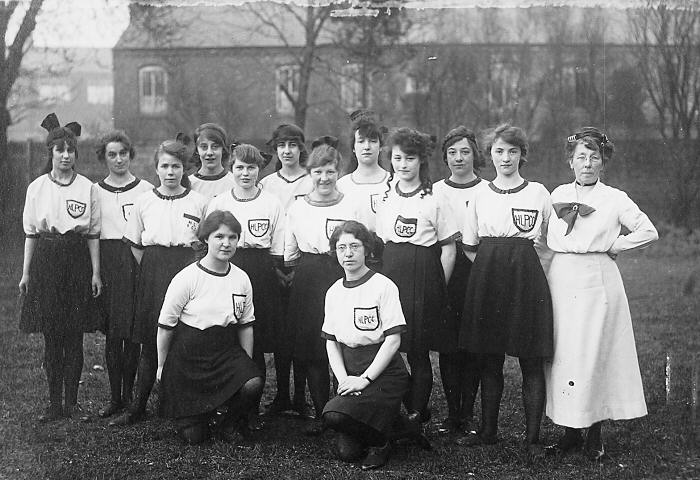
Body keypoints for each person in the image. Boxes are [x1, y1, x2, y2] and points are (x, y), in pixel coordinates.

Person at [544, 127, 658, 460]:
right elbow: (543, 236)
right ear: (571, 161)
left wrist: (616, 245)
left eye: (595, 157)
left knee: (592, 351)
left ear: (602, 162)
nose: (588, 163)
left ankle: (594, 433)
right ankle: (570, 432)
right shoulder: (557, 194)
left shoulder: (615, 198)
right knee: (565, 353)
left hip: (597, 278)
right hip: (562, 278)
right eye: (581, 156)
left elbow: (648, 231)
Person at [457, 124, 553, 459]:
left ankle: (533, 439)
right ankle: (487, 431)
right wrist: (492, 264)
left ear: (522, 155)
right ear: (490, 155)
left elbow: (550, 242)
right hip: (488, 279)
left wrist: (519, 263)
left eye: (512, 151)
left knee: (530, 360)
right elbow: (470, 245)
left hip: (526, 280)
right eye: (499, 151)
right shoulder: (480, 194)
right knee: (489, 359)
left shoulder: (539, 193)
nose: (505, 158)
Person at [110, 135, 208, 426]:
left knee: (185, 336)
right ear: (156, 168)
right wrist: (154, 266)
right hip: (153, 269)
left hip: (187, 267)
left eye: (176, 166)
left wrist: (188, 268)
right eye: (164, 166)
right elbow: (135, 243)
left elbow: (204, 242)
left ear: (184, 169)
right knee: (152, 339)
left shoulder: (199, 201)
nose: (170, 172)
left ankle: (181, 403)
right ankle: (138, 406)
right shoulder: (144, 201)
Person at [19, 113, 102, 422]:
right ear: (50, 152)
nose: (66, 156)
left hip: (77, 260)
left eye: (71, 151)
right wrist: (26, 273)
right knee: (53, 336)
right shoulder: (37, 188)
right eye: (60, 150)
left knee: (74, 335)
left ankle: (73, 403)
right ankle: (54, 404)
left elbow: (93, 233)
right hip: (47, 261)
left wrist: (95, 272)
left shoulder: (88, 188)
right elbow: (30, 234)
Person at [156, 210, 264, 444]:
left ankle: (230, 422)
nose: (226, 243)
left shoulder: (242, 278)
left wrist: (245, 363)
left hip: (224, 350)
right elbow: (166, 326)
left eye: (232, 237)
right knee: (195, 437)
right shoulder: (187, 278)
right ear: (206, 238)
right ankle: (199, 414)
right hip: (189, 355)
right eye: (219, 237)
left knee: (252, 382)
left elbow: (246, 324)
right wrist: (162, 365)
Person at [375, 127, 459, 425]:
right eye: (397, 158)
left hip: (424, 276)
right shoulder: (385, 196)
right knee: (390, 344)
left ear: (421, 160)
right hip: (392, 272)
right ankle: (397, 407)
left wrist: (437, 286)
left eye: (410, 158)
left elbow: (448, 249)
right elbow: (381, 241)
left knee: (419, 353)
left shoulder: (435, 197)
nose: (403, 165)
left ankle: (417, 414)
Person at [206, 143, 284, 430]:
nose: (245, 173)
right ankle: (224, 404)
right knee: (225, 338)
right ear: (231, 168)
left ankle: (250, 409)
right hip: (226, 270)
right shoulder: (219, 202)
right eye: (239, 167)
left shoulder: (272, 203)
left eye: (251, 167)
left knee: (255, 343)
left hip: (260, 272)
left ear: (259, 170)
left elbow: (278, 248)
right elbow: (211, 243)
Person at [321, 220, 410, 470]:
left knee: (335, 415)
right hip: (350, 371)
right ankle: (401, 426)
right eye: (341, 248)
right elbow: (331, 343)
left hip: (383, 372)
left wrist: (365, 379)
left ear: (367, 250)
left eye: (354, 246)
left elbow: (393, 340)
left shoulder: (383, 286)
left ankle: (382, 443)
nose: (348, 253)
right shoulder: (333, 292)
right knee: (347, 453)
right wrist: (343, 380)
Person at [284, 137, 357, 434]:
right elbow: (290, 252)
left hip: (344, 273)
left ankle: (349, 411)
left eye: (329, 171)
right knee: (315, 348)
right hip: (309, 276)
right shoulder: (298, 207)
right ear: (309, 173)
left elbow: (364, 243)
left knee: (348, 342)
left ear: (337, 172)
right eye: (318, 172)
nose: (324, 178)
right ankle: (321, 415)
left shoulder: (352, 205)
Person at [431, 126, 486, 435]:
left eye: (464, 151)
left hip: (476, 270)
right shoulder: (436, 190)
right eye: (452, 152)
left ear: (474, 154)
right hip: (446, 270)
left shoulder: (487, 189)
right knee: (449, 347)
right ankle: (453, 414)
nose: (458, 158)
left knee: (473, 346)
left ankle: (468, 412)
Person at [94, 130, 153, 418]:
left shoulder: (146, 190)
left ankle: (130, 397)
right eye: (112, 154)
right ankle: (114, 397)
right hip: (108, 262)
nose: (118, 159)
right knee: (112, 334)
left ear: (131, 154)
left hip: (134, 261)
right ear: (104, 158)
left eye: (123, 153)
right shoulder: (96, 190)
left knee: (131, 333)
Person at [260, 124, 312, 416]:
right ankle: (281, 395)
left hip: (304, 262)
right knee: (281, 334)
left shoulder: (312, 180)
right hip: (274, 262)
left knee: (301, 333)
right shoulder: (267, 184)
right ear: (276, 149)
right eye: (282, 145)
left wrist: (298, 269)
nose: (287, 151)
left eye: (293, 145)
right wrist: (274, 269)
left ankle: (301, 397)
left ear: (301, 148)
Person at [336, 109, 389, 233]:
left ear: (380, 146)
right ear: (353, 148)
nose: (367, 147)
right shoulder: (342, 186)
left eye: (372, 141)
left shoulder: (393, 182)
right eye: (361, 141)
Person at [189, 123, 236, 199]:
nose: (209, 152)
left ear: (223, 149)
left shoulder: (235, 183)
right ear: (197, 150)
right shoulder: (189, 184)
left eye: (215, 147)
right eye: (204, 147)